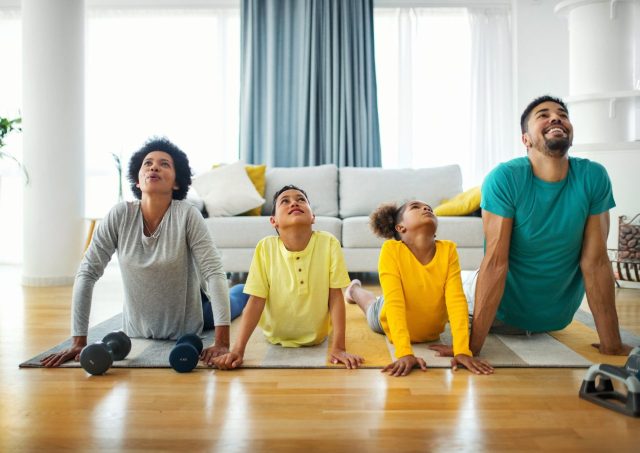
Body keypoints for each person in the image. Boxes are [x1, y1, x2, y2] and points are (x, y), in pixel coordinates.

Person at [41, 137, 247, 367]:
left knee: (236, 298)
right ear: (138, 181)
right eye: (147, 163)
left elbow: (213, 273)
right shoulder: (119, 215)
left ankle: (243, 289)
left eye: (164, 164)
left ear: (176, 183)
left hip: (193, 317)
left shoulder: (187, 215)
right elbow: (87, 273)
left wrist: (222, 342)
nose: (154, 167)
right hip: (136, 329)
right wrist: (78, 341)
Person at [469, 95, 633, 356]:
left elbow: (596, 262)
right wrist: (471, 349)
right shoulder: (505, 178)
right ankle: (376, 304)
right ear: (526, 139)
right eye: (543, 115)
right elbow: (495, 263)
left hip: (555, 319)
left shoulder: (593, 176)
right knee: (408, 306)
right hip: (498, 311)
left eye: (562, 114)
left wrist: (611, 342)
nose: (556, 117)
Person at [211, 185, 364, 370]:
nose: (294, 203)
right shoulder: (265, 247)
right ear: (273, 221)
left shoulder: (329, 243)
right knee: (245, 293)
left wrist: (339, 347)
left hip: (317, 336)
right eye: (285, 201)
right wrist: (237, 350)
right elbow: (256, 300)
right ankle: (239, 290)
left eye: (301, 199)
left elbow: (335, 297)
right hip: (275, 335)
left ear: (313, 217)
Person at [345, 201, 494, 377]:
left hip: (428, 329)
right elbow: (394, 303)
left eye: (428, 207)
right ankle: (354, 289)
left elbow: (456, 300)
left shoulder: (448, 250)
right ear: (400, 227)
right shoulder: (391, 250)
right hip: (389, 313)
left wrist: (462, 350)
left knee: (379, 300)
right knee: (371, 306)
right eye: (415, 207)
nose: (426, 208)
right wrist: (404, 353)